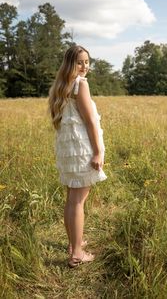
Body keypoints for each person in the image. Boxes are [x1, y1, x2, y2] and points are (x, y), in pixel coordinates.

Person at [48, 45, 107, 268]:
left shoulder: (61, 86)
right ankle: (77, 254)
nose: (85, 67)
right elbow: (90, 121)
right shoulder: (81, 84)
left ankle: (75, 243)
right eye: (80, 62)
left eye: (87, 62)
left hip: (68, 149)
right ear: (70, 64)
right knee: (78, 200)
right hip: (81, 149)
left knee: (72, 199)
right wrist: (98, 151)